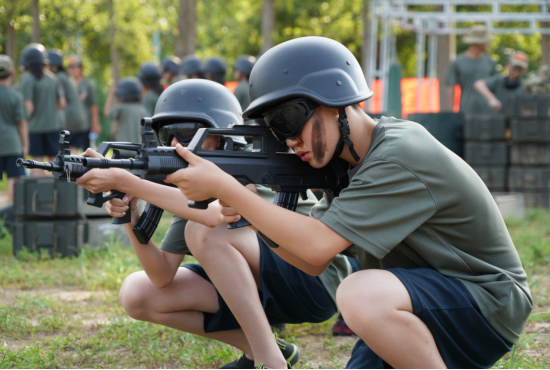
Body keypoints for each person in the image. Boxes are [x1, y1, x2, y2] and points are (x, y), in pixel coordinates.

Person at [167, 36, 533, 369]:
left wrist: (229, 191)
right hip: (424, 303)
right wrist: (248, 206)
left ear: (339, 100)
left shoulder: (398, 154)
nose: (289, 139)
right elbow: (312, 261)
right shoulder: (344, 166)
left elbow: (317, 244)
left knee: (358, 292)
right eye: (275, 128)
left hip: (487, 302)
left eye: (290, 118)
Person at [74, 79, 356, 369]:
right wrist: (131, 214)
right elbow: (161, 276)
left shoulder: (249, 163)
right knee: (137, 293)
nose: (174, 144)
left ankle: (269, 363)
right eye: (166, 134)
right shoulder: (190, 183)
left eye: (184, 132)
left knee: (205, 232)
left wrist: (127, 181)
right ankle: (263, 349)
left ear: (220, 134)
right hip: (256, 286)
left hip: (315, 283)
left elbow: (216, 217)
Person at [19, 43, 66, 177]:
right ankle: (56, 193)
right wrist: (49, 109)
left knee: (37, 162)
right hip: (53, 126)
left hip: (35, 128)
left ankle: (40, 195)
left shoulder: (26, 78)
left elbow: (29, 108)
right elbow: (62, 103)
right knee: (53, 161)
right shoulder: (52, 77)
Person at [446, 25, 498, 114]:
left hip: (488, 111)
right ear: (478, 42)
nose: (488, 43)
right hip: (466, 111)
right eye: (486, 41)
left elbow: (497, 86)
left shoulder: (490, 62)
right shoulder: (458, 62)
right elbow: (451, 88)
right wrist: (451, 113)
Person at [0, 55, 28, 203]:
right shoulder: (16, 96)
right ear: (12, 73)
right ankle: (11, 215)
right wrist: (25, 144)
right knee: (13, 179)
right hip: (12, 143)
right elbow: (22, 123)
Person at [47, 49, 87, 154]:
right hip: (80, 120)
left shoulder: (58, 78)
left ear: (53, 66)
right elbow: (82, 94)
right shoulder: (66, 76)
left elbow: (60, 101)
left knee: (67, 156)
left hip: (70, 121)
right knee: (72, 153)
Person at [103, 77, 148, 154]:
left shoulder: (121, 108)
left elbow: (107, 112)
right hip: (139, 152)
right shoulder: (143, 109)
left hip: (123, 151)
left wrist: (111, 95)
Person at [66, 54, 102, 149]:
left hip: (85, 124)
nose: (72, 70)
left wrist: (95, 125)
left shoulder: (87, 85)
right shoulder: (65, 84)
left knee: (88, 151)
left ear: (80, 68)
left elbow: (93, 106)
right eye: (70, 67)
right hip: (69, 124)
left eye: (75, 67)